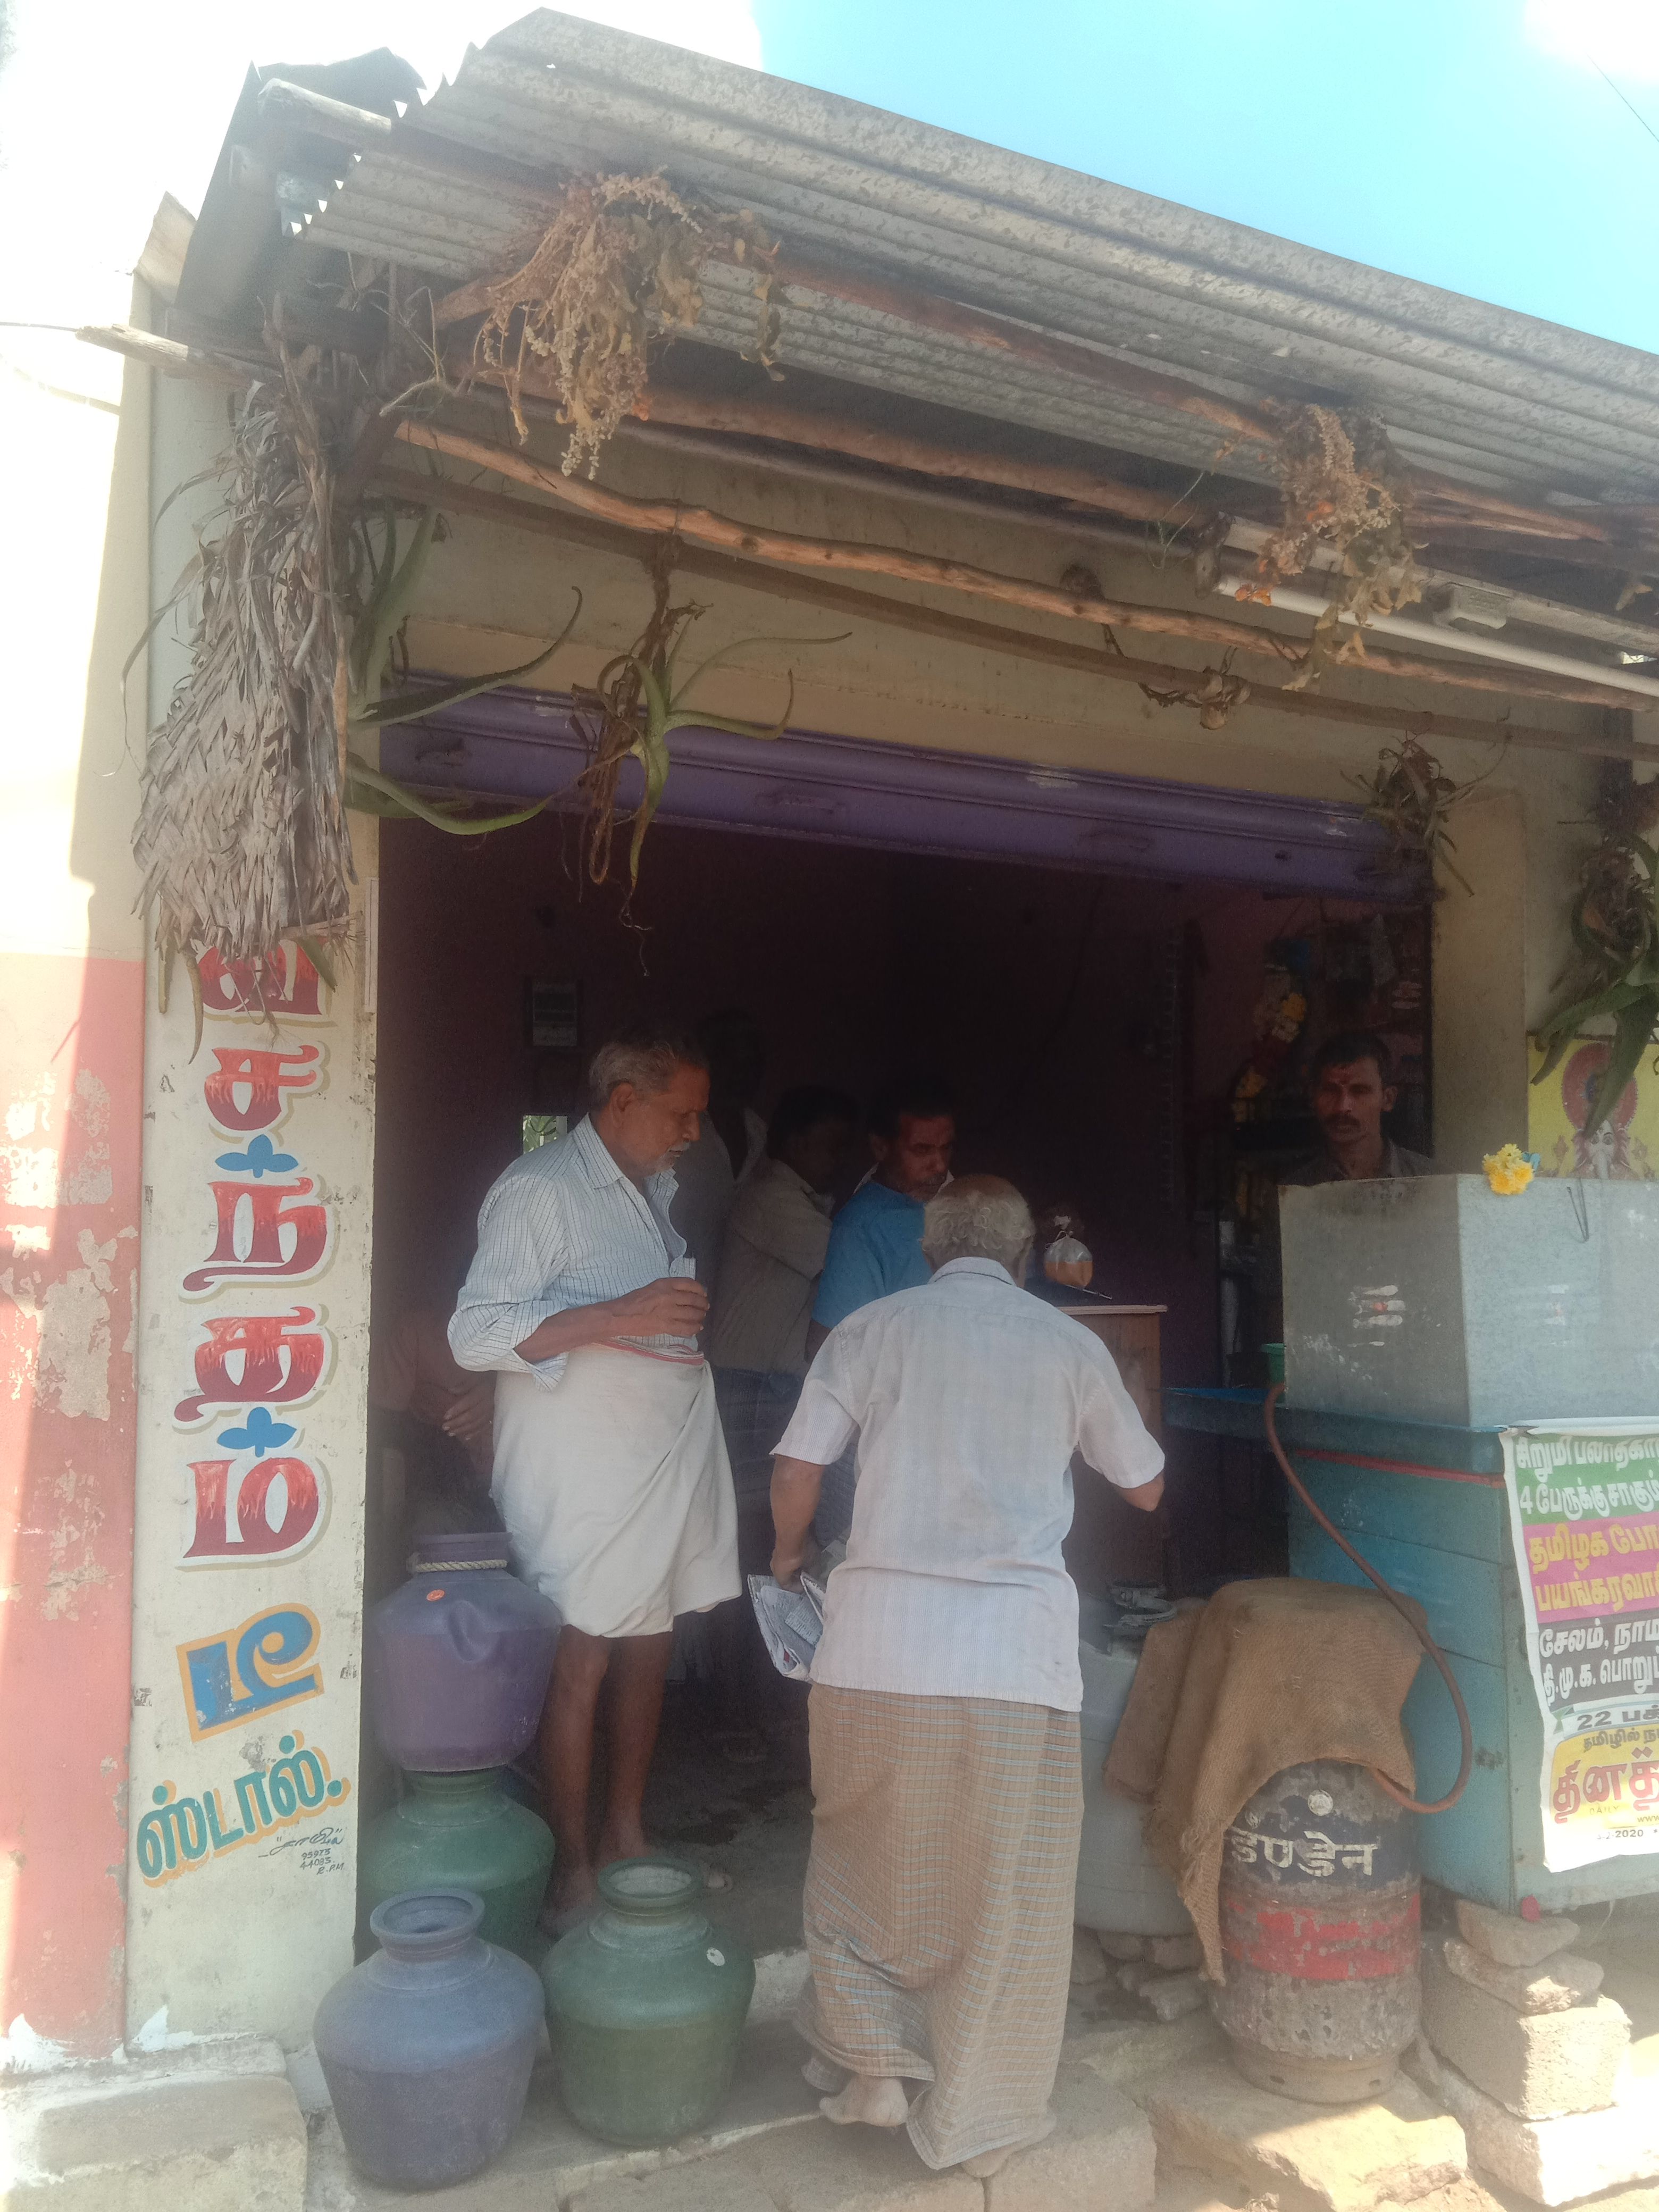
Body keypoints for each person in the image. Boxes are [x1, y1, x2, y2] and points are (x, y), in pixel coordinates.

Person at [769, 1177, 1165, 2177]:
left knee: (864, 1859)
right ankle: (974, 2109)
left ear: (930, 1246)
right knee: (1008, 1890)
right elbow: (1148, 1484)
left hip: (876, 1647)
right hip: (1014, 1659)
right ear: (1026, 1251)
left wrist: (784, 1558)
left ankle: (874, 2063)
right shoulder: (1068, 1343)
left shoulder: (873, 1328)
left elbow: (796, 1469)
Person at [449, 1026, 740, 1924]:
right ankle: (572, 1868)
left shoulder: (655, 1192)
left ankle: (626, 1835)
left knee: (648, 1643)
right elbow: (477, 1333)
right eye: (681, 1112)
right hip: (581, 1473)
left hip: (655, 1455)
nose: (694, 1131)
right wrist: (620, 1313)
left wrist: (645, 1321)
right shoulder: (540, 1192)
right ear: (623, 1101)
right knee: (583, 1653)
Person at [708, 1085, 858, 1506]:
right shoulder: (772, 1198)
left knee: (774, 1509)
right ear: (796, 1142)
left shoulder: (800, 1198)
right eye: (833, 1147)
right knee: (759, 1511)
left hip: (766, 1382)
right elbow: (845, 1263)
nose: (841, 1159)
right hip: (752, 1384)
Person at [1261, 1029, 1434, 1341]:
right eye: (1330, 1091)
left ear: (1388, 1098)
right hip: (1327, 1365)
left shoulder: (1430, 1185)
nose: (1343, 1107)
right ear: (1314, 1097)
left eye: (1360, 1091)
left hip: (1414, 1358)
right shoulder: (1294, 1196)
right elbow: (1278, 1301)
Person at [807, 1076, 956, 1361]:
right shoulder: (861, 1227)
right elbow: (828, 1351)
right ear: (880, 1148)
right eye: (922, 1150)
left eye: (947, 1148)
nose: (940, 1165)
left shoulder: (955, 1205)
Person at [671, 1008, 768, 1284]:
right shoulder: (674, 1134)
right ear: (707, 1065)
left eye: (753, 1064)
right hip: (681, 1291)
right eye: (733, 1063)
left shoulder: (761, 1136)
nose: (744, 1076)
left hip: (740, 1298)